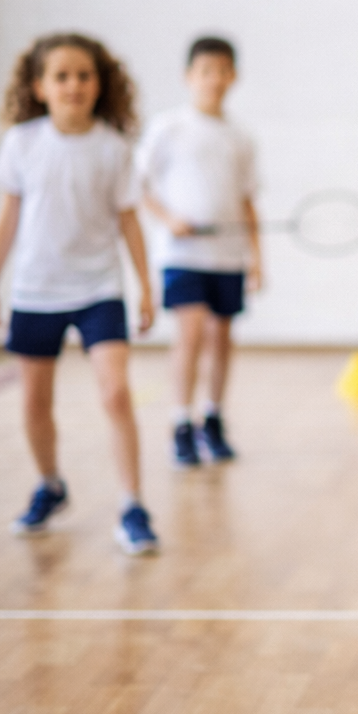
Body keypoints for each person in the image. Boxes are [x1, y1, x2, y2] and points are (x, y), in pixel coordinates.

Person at [0, 33, 159, 555]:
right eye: (61, 76)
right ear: (39, 87)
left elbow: (129, 221)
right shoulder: (21, 143)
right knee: (34, 402)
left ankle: (132, 505)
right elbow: (8, 219)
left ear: (100, 84)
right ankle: (50, 485)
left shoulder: (114, 149)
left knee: (115, 393)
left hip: (99, 289)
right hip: (36, 291)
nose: (74, 85)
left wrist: (145, 287)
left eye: (84, 75)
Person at [138, 37, 260, 466]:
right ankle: (181, 424)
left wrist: (257, 258)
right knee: (189, 335)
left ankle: (213, 418)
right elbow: (139, 186)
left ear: (234, 76)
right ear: (189, 76)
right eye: (206, 71)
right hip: (182, 255)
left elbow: (248, 201)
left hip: (227, 255)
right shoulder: (168, 128)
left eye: (223, 71)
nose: (214, 79)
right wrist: (169, 219)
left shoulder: (241, 137)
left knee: (221, 338)